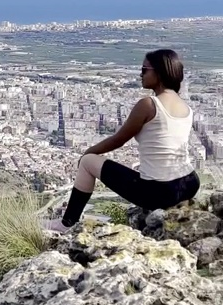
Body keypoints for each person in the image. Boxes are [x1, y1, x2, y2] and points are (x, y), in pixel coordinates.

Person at [46, 48, 200, 232]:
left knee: (88, 162)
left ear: (158, 73)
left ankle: (66, 223)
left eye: (144, 70)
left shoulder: (149, 104)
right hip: (189, 183)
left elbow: (118, 140)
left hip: (159, 191)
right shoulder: (186, 107)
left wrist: (88, 153)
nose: (140, 74)